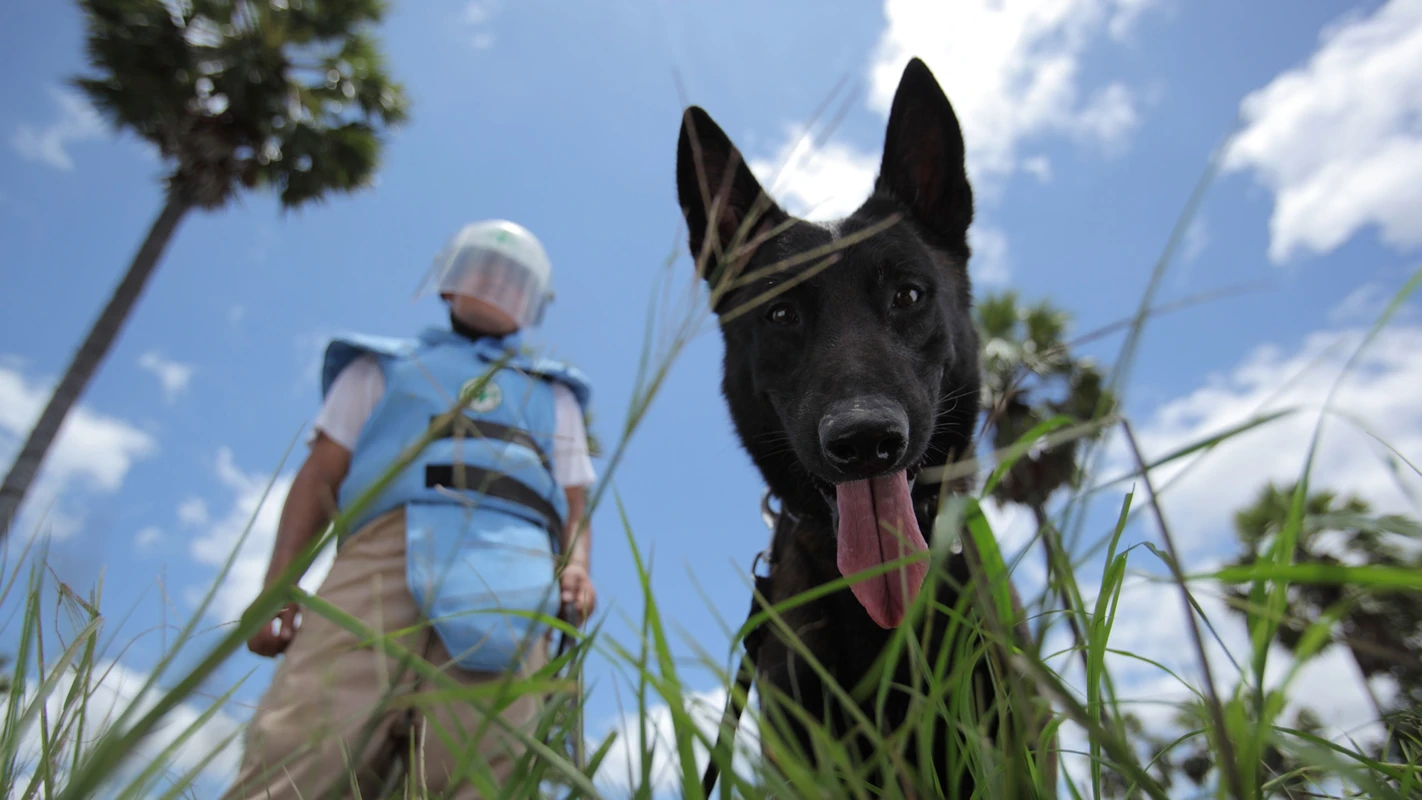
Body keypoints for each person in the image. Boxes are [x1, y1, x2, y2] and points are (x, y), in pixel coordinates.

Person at [221, 220, 598, 800]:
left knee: (482, 760)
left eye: (513, 279)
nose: (497, 285)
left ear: (532, 302)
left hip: (514, 574)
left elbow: (574, 503)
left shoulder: (553, 394)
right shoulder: (382, 366)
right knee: (309, 739)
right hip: (382, 555)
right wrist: (280, 582)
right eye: (484, 270)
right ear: (448, 281)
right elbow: (320, 473)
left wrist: (575, 566)